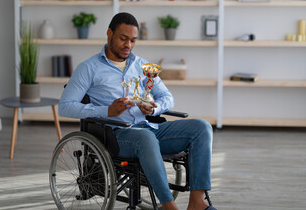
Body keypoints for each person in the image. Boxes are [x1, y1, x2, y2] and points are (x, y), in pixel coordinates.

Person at [58, 12, 216, 210]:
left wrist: (155, 107)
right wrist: (107, 110)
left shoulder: (142, 65)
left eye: (133, 40)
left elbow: (168, 97)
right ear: (109, 34)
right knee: (144, 138)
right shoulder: (88, 68)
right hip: (116, 136)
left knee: (202, 127)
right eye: (123, 39)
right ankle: (169, 207)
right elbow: (65, 106)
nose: (128, 45)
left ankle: (197, 202)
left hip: (150, 127)